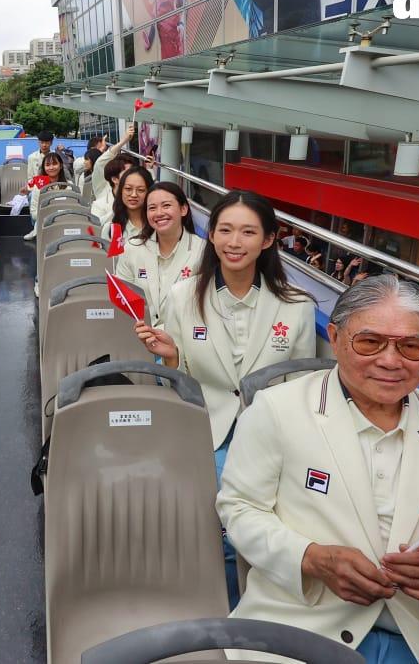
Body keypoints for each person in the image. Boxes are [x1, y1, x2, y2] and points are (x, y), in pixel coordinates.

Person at [217, 275, 419, 664]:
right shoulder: (278, 411)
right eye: (369, 342)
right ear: (335, 336)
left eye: (411, 347)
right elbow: (240, 509)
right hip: (300, 633)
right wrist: (310, 557)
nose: (391, 361)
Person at [135, 189, 316, 606]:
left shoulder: (296, 307)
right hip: (208, 430)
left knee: (269, 533)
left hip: (274, 438)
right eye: (226, 230)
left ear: (269, 239)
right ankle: (223, 609)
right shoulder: (182, 299)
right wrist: (173, 355)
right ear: (211, 236)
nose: (235, 242)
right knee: (219, 531)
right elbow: (178, 381)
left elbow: (302, 383)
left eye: (248, 232)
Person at [114, 181, 204, 318]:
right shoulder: (132, 248)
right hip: (138, 333)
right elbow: (122, 300)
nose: (159, 213)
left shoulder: (202, 251)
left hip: (181, 337)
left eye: (166, 206)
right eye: (152, 208)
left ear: (183, 209)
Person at [23, 151, 74, 241]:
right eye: (47, 165)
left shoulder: (70, 186)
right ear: (44, 167)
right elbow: (34, 213)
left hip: (66, 224)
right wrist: (50, 217)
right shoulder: (38, 187)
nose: (51, 167)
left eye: (54, 164)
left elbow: (74, 209)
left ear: (61, 166)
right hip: (45, 224)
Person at [102, 165, 153, 239]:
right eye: (128, 189)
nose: (134, 195)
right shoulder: (110, 228)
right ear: (121, 191)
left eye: (140, 190)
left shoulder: (157, 225)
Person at [89, 153, 139, 227]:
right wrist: (119, 207)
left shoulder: (140, 198)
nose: (133, 177)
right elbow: (96, 228)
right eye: (127, 174)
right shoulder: (99, 205)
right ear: (115, 179)